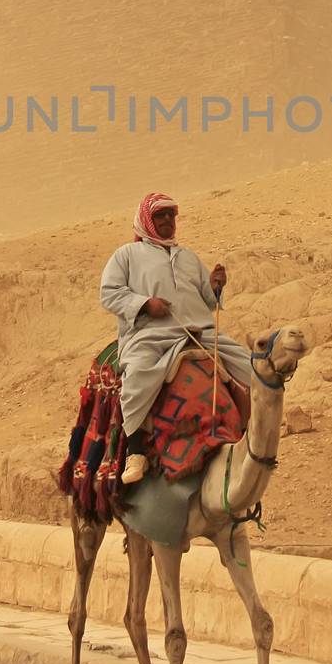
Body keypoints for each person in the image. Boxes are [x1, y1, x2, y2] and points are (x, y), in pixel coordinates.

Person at [100, 191, 253, 483]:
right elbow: (109, 293)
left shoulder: (188, 257)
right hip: (151, 336)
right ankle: (136, 452)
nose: (169, 220)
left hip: (199, 333)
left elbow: (207, 300)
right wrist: (146, 304)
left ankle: (253, 437)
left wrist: (215, 285)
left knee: (251, 367)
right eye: (161, 215)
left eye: (172, 214)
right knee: (138, 375)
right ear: (147, 220)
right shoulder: (126, 256)